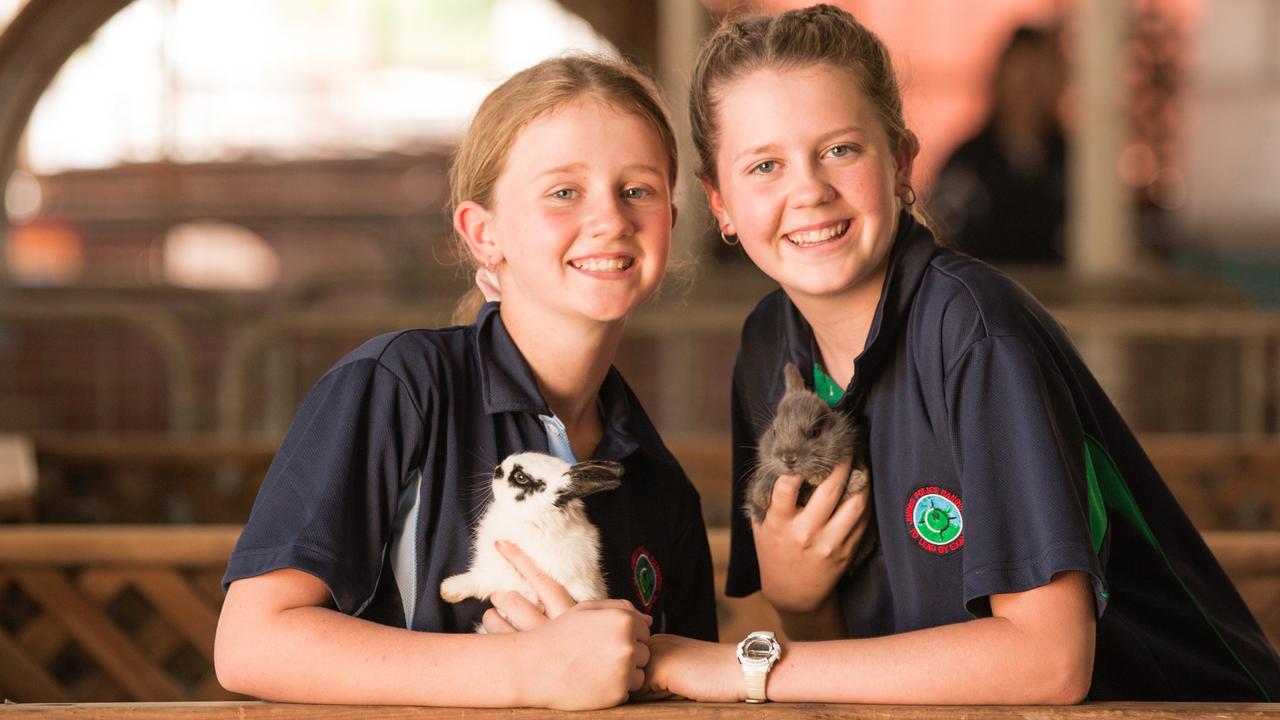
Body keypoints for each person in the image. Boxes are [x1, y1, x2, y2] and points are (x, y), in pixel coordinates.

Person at [641, 4, 1280, 704]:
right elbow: (859, 666)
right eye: (764, 165)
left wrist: (746, 666)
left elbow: (1050, 663)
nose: (808, 190)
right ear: (720, 203)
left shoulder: (975, 334)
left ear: (902, 162)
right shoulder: (769, 345)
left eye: (840, 150)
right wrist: (799, 602)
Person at [214, 54, 717, 710]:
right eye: (564, 191)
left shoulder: (657, 478)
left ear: (670, 224)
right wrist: (523, 669)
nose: (611, 217)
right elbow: (252, 642)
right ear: (484, 234)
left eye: (638, 189)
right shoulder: (398, 386)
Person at [929, 25, 1068, 264]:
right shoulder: (970, 162)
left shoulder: (1071, 160)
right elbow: (941, 233)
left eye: (1035, 84)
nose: (1026, 98)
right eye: (1020, 85)